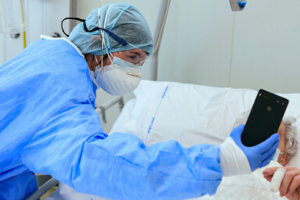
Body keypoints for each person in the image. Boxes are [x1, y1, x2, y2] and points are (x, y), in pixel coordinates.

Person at [0, 3, 280, 200]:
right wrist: (222, 161)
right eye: (133, 58)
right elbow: (106, 165)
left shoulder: (49, 52)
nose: (136, 73)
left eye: (142, 62)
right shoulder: (66, 96)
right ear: (102, 42)